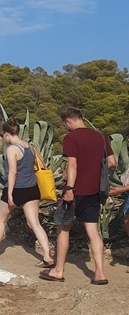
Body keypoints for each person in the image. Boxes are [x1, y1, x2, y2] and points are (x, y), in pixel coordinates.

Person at [40, 107, 116, 285]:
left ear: (68, 121)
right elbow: (112, 163)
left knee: (63, 228)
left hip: (76, 191)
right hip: (94, 191)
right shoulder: (101, 137)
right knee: (93, 231)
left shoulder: (71, 138)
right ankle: (99, 274)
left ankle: (58, 271)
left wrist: (69, 188)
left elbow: (72, 166)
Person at [0, 117, 55, 268]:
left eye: (3, 136)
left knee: (1, 220)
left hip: (17, 188)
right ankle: (47, 255)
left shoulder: (12, 149)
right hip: (32, 188)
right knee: (34, 223)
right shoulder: (30, 147)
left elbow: (13, 173)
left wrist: (9, 194)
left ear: (7, 134)